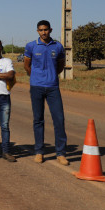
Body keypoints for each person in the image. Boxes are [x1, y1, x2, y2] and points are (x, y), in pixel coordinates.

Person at [24, 20, 69, 166]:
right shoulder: (31, 46)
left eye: (46, 30)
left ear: (50, 30)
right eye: (41, 30)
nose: (44, 32)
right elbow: (27, 65)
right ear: (37, 31)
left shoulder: (58, 46)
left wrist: (51, 76)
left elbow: (61, 65)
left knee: (59, 119)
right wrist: (36, 77)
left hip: (53, 87)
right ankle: (39, 152)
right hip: (36, 86)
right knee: (38, 120)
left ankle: (61, 153)